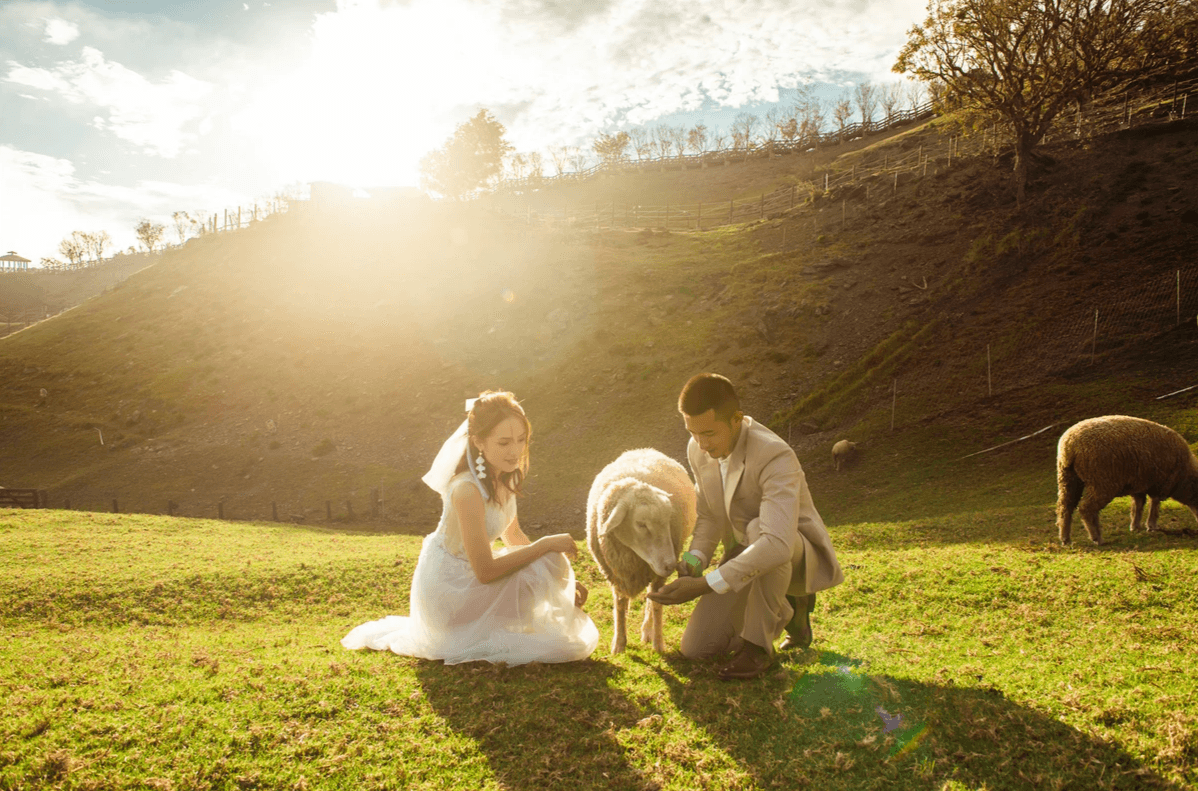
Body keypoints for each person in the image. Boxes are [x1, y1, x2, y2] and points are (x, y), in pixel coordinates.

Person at [342, 391, 598, 665]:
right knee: (546, 553)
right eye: (503, 442)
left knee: (551, 560)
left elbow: (513, 536)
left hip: (471, 579)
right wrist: (545, 545)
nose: (515, 451)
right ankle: (468, 630)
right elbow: (485, 571)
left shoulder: (504, 477)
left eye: (521, 440)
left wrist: (556, 582)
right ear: (478, 442)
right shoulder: (467, 490)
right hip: (450, 592)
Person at [648, 373, 843, 680]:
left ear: (737, 419)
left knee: (759, 530)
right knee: (696, 649)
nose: (701, 444)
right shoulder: (697, 449)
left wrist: (704, 585)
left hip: (792, 550)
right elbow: (710, 515)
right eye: (693, 433)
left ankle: (759, 648)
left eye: (709, 433)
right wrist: (694, 560)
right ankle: (790, 609)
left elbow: (777, 543)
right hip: (745, 551)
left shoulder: (774, 455)